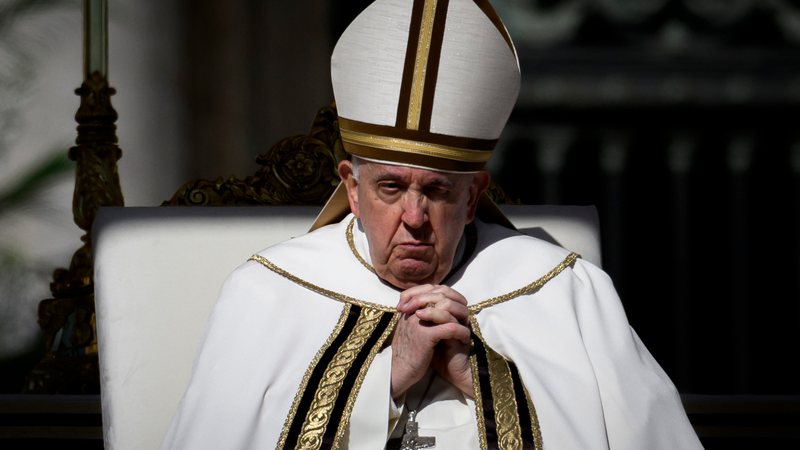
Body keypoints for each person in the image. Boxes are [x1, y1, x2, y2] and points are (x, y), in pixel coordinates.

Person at [161, 0, 702, 448]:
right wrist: (384, 382)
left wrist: (486, 381)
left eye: (438, 191)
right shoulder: (266, 292)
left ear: (474, 198)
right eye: (390, 188)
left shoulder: (566, 291)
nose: (414, 218)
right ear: (351, 187)